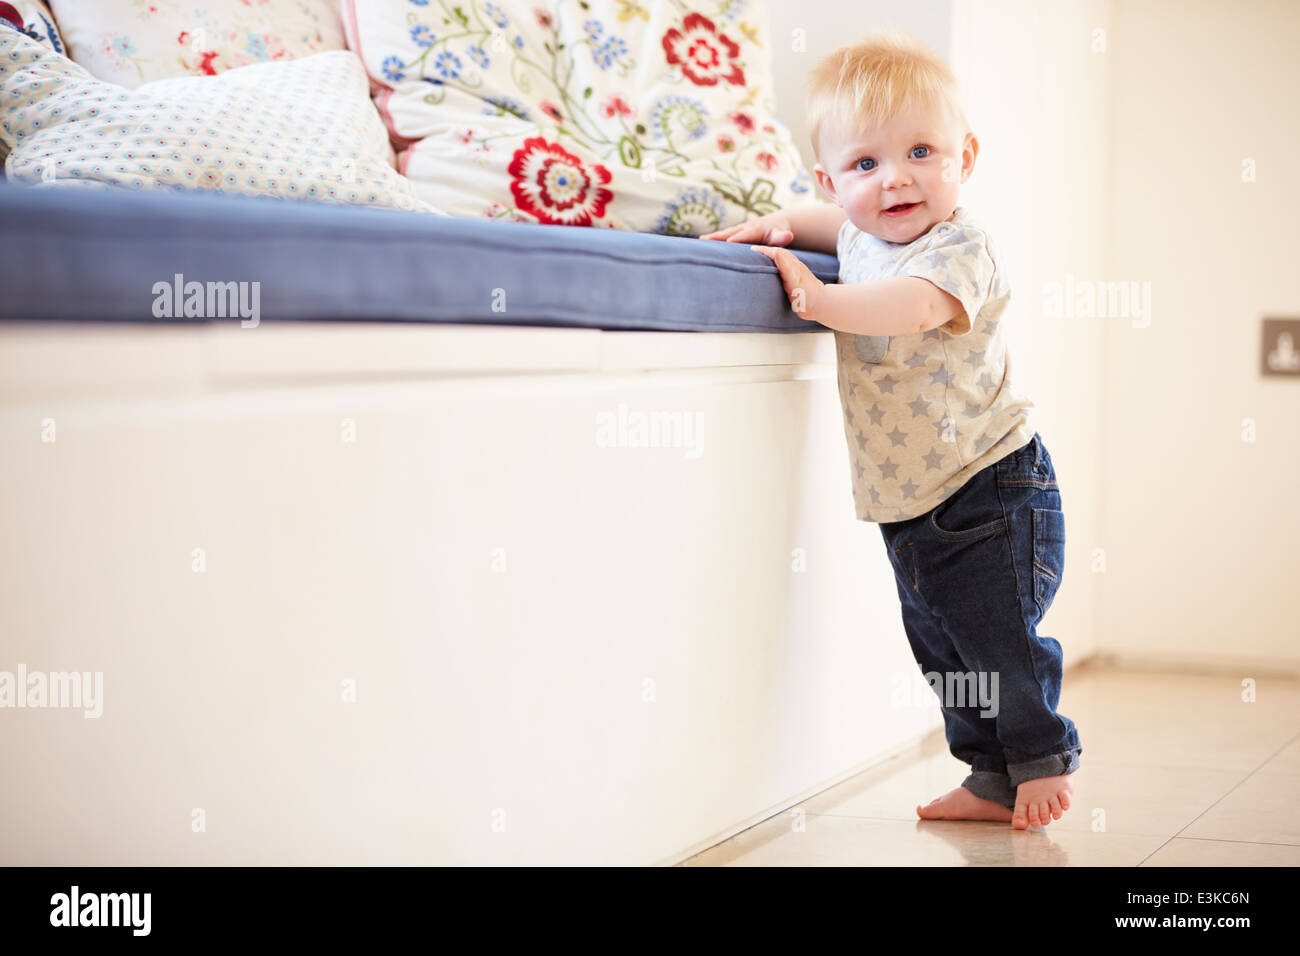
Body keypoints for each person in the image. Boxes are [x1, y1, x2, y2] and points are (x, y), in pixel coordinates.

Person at [701, 29, 1081, 830]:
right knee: (943, 651)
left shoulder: (958, 248)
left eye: (920, 151)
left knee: (996, 638)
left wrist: (823, 302)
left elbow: (910, 306)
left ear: (964, 157)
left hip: (990, 487)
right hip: (910, 503)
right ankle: (987, 775)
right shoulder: (857, 234)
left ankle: (1042, 755)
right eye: (866, 165)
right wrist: (775, 226)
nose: (896, 178)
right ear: (833, 181)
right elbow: (823, 224)